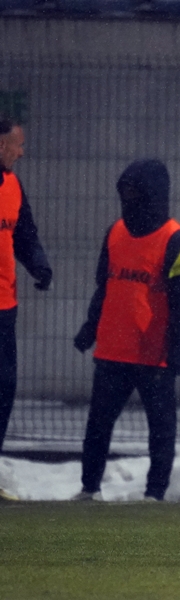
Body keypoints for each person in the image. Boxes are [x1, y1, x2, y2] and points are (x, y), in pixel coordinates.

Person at [72, 159, 180, 502]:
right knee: (97, 425)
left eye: (134, 193)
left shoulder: (178, 240)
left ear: (153, 194)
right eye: (124, 192)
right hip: (111, 350)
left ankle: (154, 494)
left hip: (154, 357)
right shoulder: (114, 232)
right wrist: (89, 328)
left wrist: (177, 355)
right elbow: (104, 287)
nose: (128, 199)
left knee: (160, 429)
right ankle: (89, 488)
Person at [0, 118, 53, 456]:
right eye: (17, 145)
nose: (21, 152)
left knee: (5, 387)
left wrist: (39, 265)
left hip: (5, 307)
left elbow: (24, 235)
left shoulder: (13, 185)